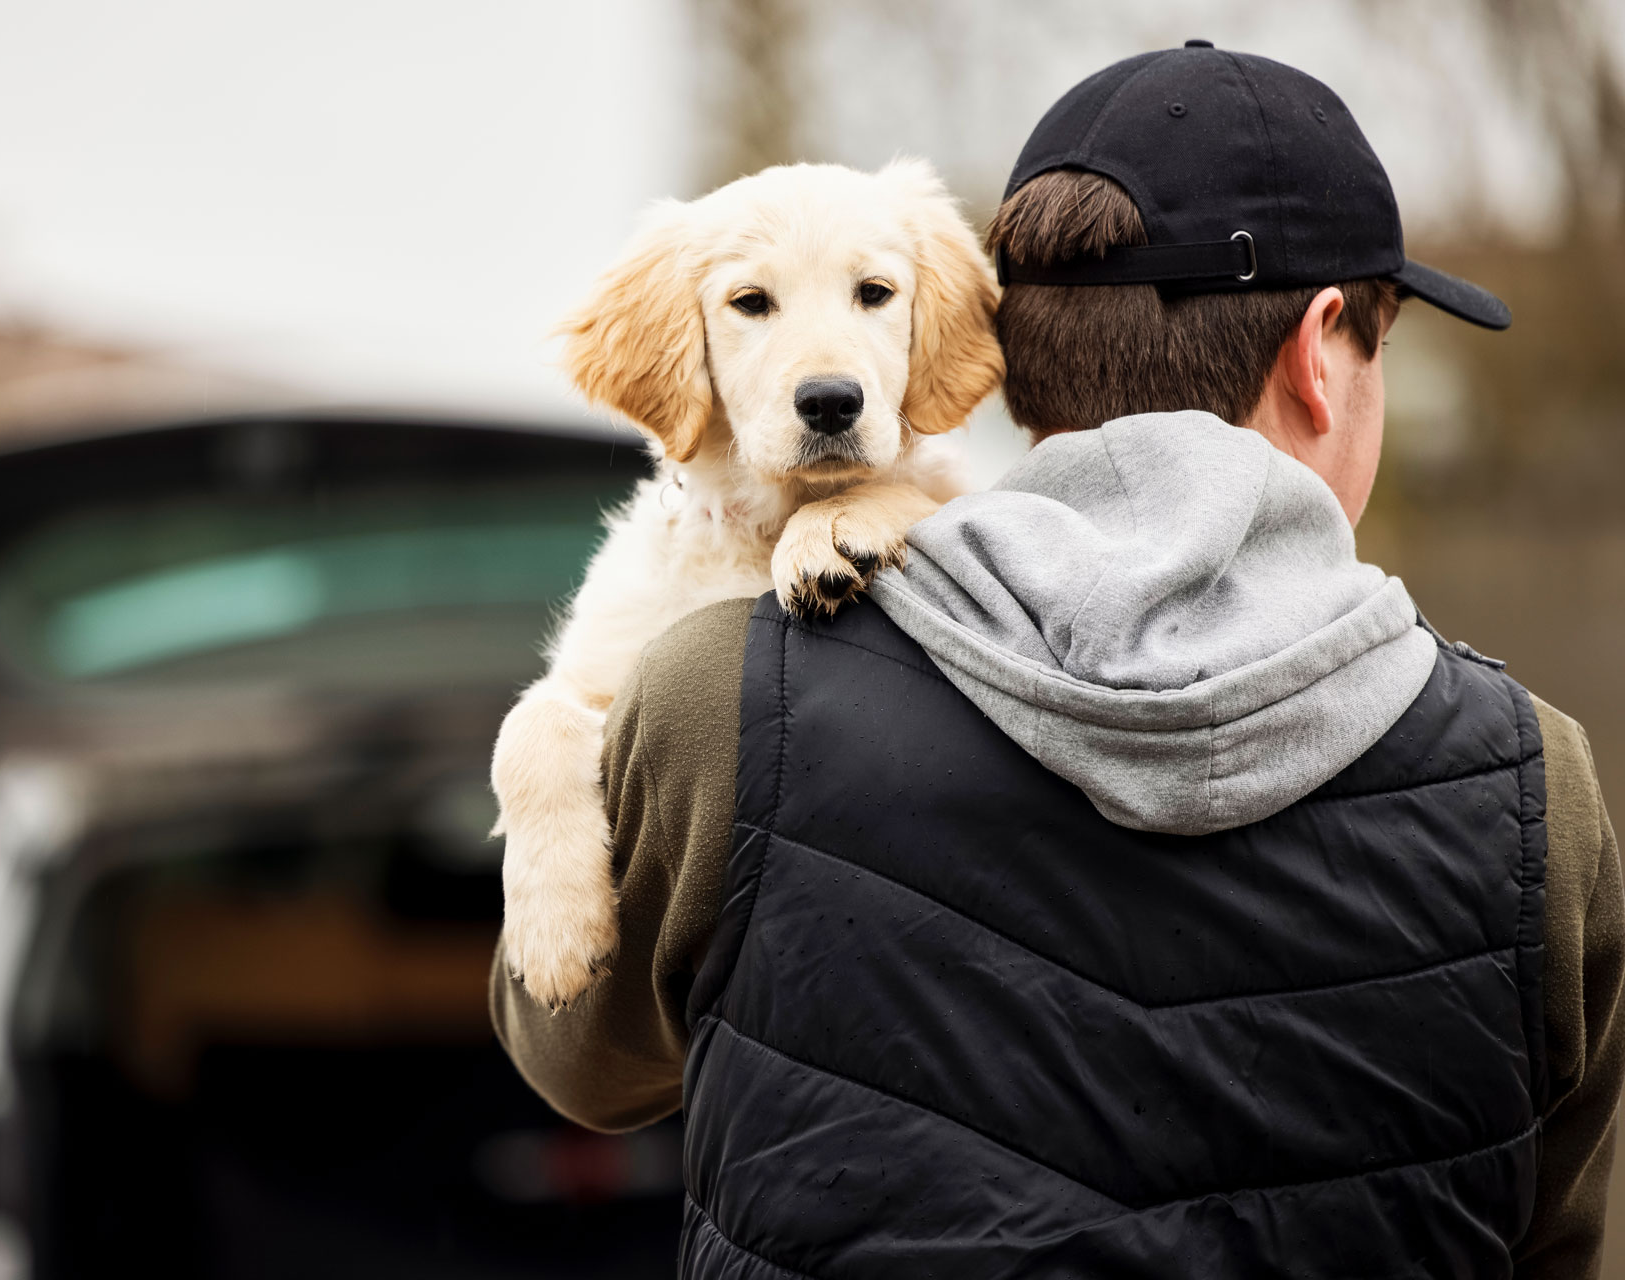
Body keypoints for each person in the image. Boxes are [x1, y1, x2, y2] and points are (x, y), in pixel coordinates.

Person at [492, 42, 1623, 1278]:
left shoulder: (723, 694)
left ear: (1001, 356)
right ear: (1320, 348)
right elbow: (1551, 1241)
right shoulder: (1536, 789)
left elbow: (585, 1063)